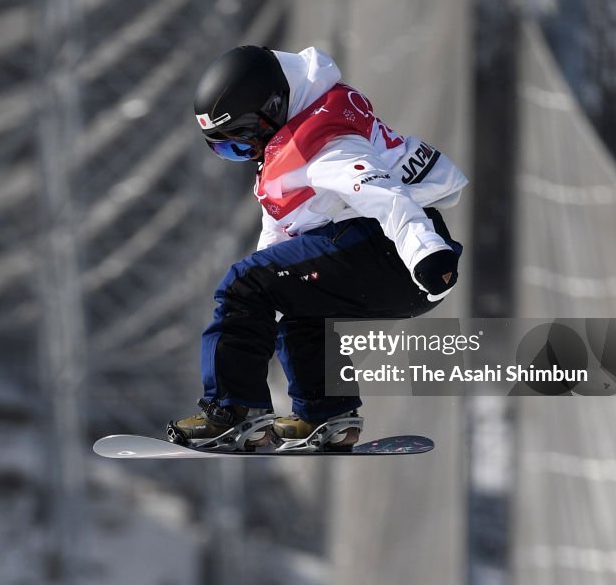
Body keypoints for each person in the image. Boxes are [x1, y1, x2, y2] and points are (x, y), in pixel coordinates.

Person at [166, 45, 468, 451]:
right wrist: (257, 304)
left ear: (271, 110)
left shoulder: (328, 144)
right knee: (284, 293)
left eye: (240, 142)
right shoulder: (287, 151)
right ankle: (327, 414)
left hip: (399, 253)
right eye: (224, 150)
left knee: (245, 282)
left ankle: (232, 411)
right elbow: (275, 246)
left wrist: (427, 252)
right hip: (379, 256)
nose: (245, 155)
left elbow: (383, 194)